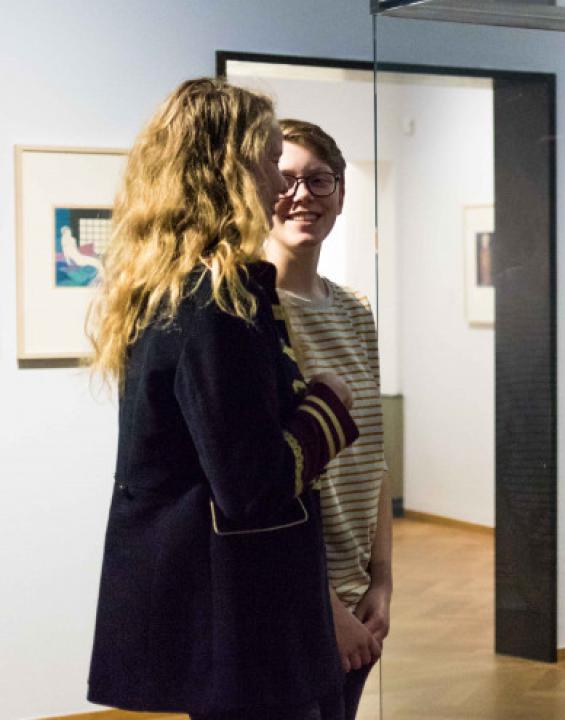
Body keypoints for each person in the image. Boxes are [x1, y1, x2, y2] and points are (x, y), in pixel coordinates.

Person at [86, 78, 358, 719]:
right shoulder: (216, 301)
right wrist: (328, 406)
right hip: (241, 614)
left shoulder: (169, 286)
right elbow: (252, 484)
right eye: (270, 160)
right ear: (228, 170)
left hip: (220, 604)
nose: (280, 182)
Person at [265, 118, 392, 719]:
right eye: (286, 179)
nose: (302, 196)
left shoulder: (355, 310)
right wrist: (325, 607)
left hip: (357, 597)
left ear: (341, 194)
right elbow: (257, 486)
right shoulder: (250, 311)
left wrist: (382, 583)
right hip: (287, 595)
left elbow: (374, 461)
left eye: (320, 180)